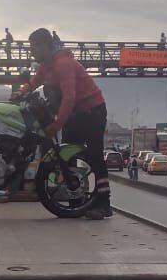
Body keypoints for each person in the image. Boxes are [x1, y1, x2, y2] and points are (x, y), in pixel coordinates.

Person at [20, 27, 111, 219]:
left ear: (45, 46)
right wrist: (20, 92)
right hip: (76, 113)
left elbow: (69, 98)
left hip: (92, 110)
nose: (32, 52)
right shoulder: (47, 64)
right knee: (68, 154)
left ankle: (104, 204)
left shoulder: (63, 64)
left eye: (34, 47)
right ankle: (76, 200)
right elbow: (34, 81)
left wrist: (56, 125)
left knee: (94, 155)